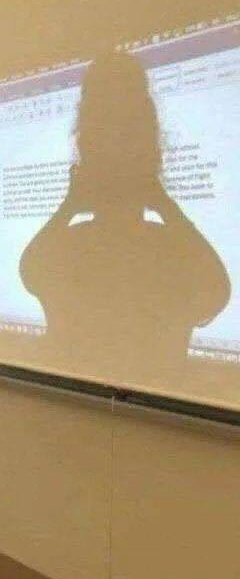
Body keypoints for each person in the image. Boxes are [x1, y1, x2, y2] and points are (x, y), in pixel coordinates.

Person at [19, 51, 230, 382]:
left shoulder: (63, 247)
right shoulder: (176, 249)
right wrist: (164, 204)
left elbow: (30, 271)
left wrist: (69, 206)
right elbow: (217, 292)